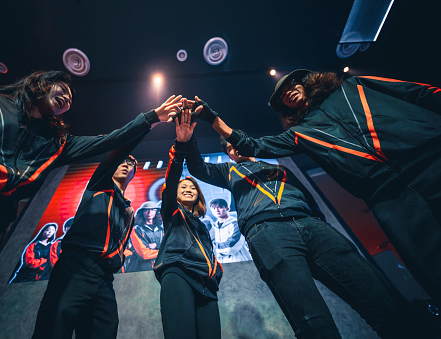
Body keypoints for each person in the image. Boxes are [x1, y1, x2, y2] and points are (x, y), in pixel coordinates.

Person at [0, 70, 181, 337]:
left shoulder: (57, 145)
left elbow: (111, 140)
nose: (67, 98)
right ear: (40, 83)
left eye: (71, 99)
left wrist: (152, 118)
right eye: (62, 88)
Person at [187, 70, 441, 304]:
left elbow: (418, 93)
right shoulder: (300, 134)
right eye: (281, 96)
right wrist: (211, 119)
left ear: (308, 82)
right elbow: (252, 145)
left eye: (292, 84)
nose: (287, 91)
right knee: (429, 265)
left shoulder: (353, 85)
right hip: (386, 195)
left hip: (428, 157)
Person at [184, 123, 437, 338]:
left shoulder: (282, 169)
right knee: (311, 317)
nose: (235, 147)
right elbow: (196, 168)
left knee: (377, 295)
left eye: (237, 142)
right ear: (228, 155)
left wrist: (319, 222)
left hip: (311, 225)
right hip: (268, 231)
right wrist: (189, 136)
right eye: (229, 147)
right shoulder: (228, 171)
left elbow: (310, 199)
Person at [32, 153, 138, 338]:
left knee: (104, 329)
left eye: (130, 164)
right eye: (121, 160)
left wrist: (118, 260)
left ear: (133, 174)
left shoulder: (128, 210)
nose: (125, 165)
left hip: (104, 277)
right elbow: (112, 156)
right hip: (76, 267)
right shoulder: (100, 185)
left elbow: (122, 243)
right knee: (54, 326)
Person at [154, 105, 223, 339]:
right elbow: (173, 179)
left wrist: (216, 272)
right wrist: (182, 144)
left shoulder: (202, 224)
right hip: (179, 273)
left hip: (207, 283)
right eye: (183, 187)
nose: (187, 188)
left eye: (192, 186)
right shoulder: (171, 211)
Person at [208, 198, 251, 263]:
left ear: (227, 208)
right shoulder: (213, 227)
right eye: (214, 208)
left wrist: (214, 249)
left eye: (220, 207)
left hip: (240, 263)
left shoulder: (236, 224)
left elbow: (231, 247)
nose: (217, 210)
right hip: (223, 265)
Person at [128, 201, 164, 272]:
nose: (149, 212)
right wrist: (163, 252)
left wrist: (156, 245)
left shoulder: (161, 230)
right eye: (146, 210)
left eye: (153, 210)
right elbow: (144, 254)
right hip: (141, 269)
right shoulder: (136, 230)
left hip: (160, 267)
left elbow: (168, 246)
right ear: (142, 213)